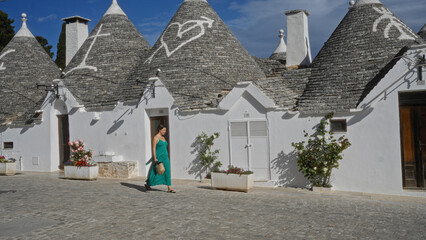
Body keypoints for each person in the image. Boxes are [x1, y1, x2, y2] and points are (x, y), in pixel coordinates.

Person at [145, 124, 176, 193]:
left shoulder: (163, 137)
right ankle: (148, 184)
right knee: (155, 173)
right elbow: (153, 148)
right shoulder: (155, 138)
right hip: (159, 158)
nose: (165, 131)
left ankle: (169, 188)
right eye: (164, 130)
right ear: (160, 130)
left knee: (167, 171)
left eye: (165, 130)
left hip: (166, 158)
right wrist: (155, 158)